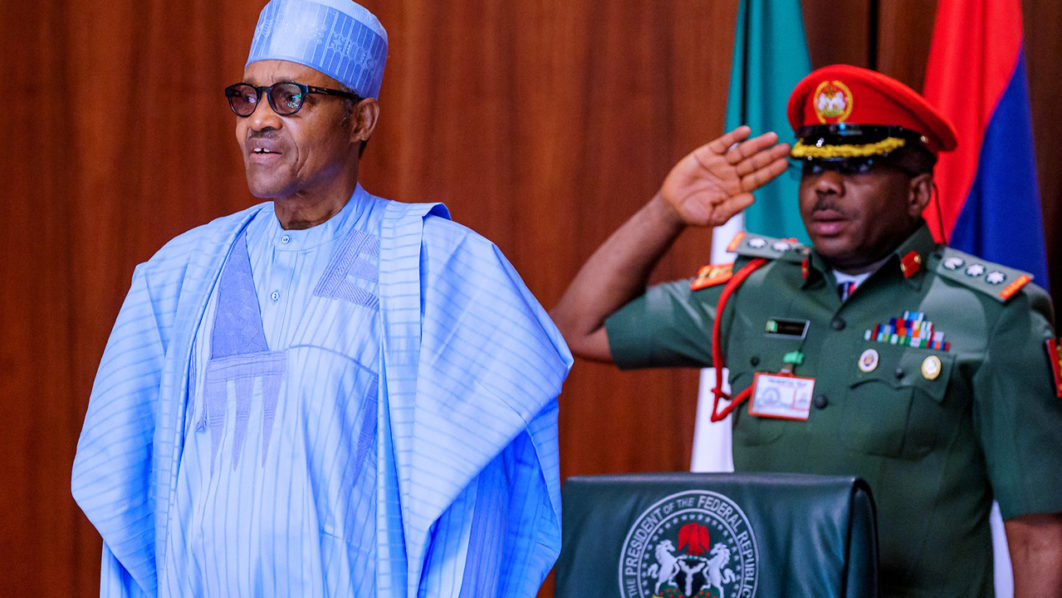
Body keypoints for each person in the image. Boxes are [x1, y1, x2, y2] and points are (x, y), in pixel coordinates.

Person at [71, 1, 572, 596]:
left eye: (290, 98)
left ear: (360, 120)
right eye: (247, 98)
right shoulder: (179, 274)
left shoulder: (438, 270)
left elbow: (472, 516)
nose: (258, 120)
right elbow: (126, 504)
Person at [551, 64, 1062, 596]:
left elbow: (1039, 534)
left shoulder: (990, 314)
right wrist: (666, 212)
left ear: (917, 193)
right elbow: (578, 328)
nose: (825, 186)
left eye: (858, 168)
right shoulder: (751, 291)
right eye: (813, 167)